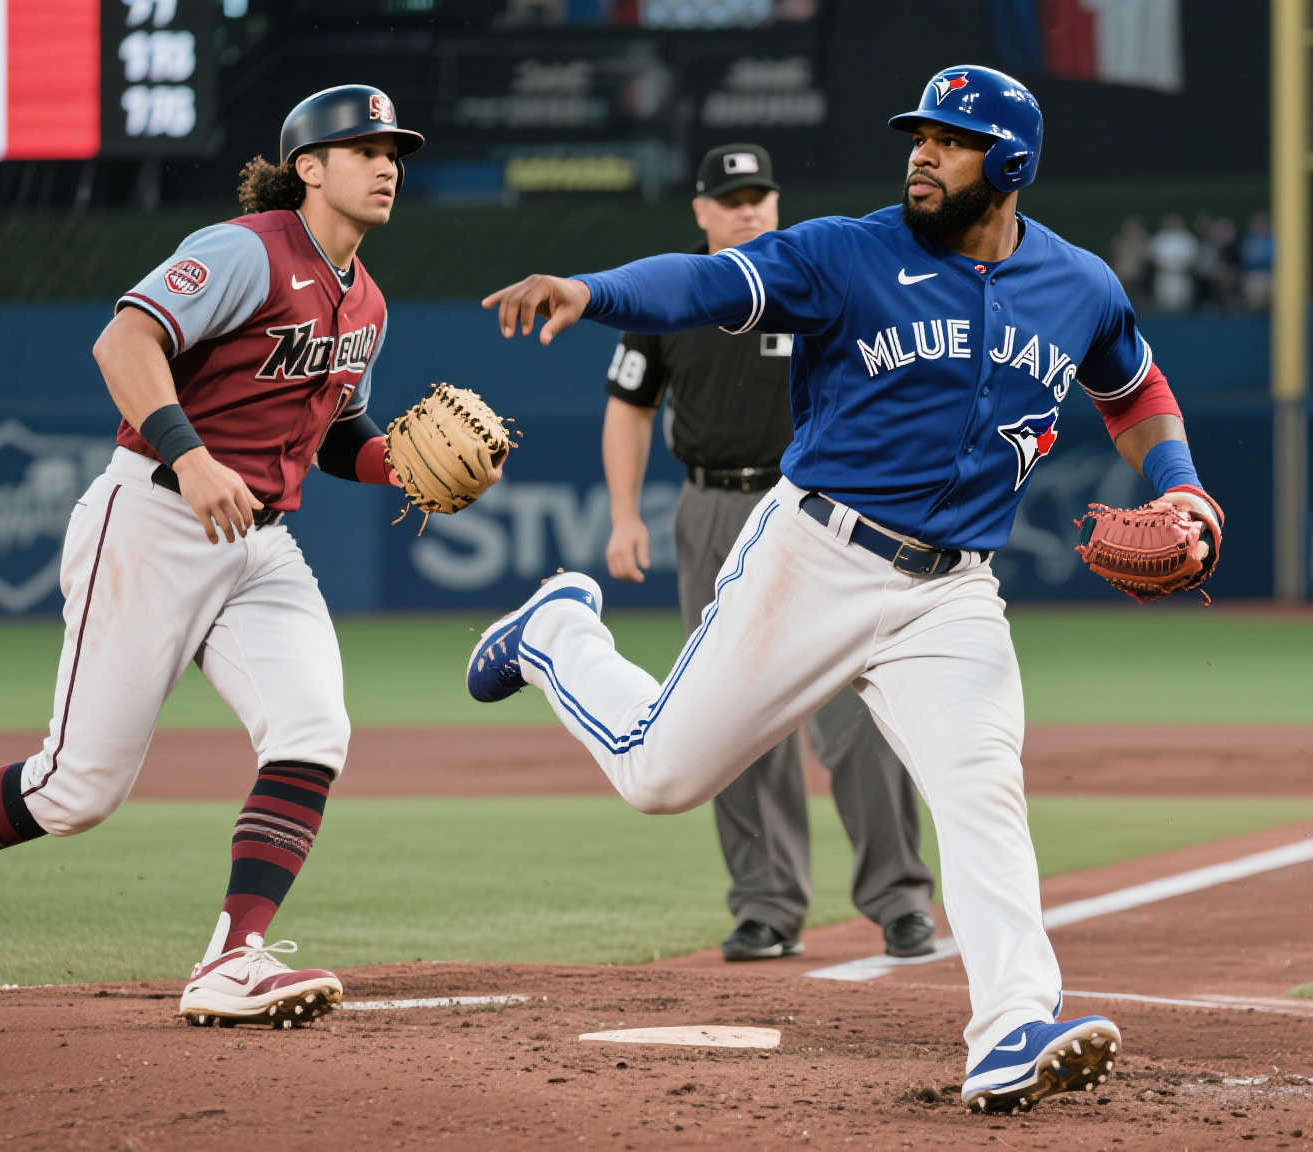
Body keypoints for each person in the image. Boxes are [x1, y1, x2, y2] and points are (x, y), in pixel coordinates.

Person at [477, 65, 1222, 1113]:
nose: (920, 153)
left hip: (951, 594)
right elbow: (703, 287)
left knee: (981, 787)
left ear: (1009, 165)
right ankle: (555, 632)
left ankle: (1011, 1027)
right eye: (915, 133)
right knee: (659, 776)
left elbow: (1133, 388)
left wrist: (1183, 489)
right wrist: (590, 293)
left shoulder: (1079, 286)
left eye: (948, 140)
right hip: (815, 557)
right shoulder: (844, 252)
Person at [0, 86, 441, 1031]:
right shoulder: (247, 250)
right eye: (364, 148)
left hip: (260, 545)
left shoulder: (368, 301)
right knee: (77, 789)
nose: (388, 163)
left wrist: (403, 464)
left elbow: (332, 435)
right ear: (310, 167)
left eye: (395, 149)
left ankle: (231, 959)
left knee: (314, 732)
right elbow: (125, 341)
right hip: (152, 516)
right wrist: (191, 455)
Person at [601, 142, 937, 964]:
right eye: (732, 196)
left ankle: (898, 899)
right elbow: (629, 405)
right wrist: (623, 515)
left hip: (818, 515)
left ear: (776, 203)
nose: (749, 207)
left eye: (760, 194)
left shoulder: (815, 279)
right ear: (702, 211)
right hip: (710, 505)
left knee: (855, 713)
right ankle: (766, 906)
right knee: (728, 714)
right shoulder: (674, 295)